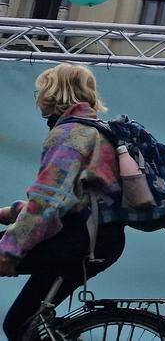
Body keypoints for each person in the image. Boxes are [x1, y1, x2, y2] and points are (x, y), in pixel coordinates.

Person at [0, 64, 125, 341]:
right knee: (22, 325)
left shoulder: (70, 135)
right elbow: (73, 200)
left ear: (52, 94)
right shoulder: (98, 130)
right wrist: (10, 213)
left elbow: (47, 203)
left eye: (40, 91)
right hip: (101, 239)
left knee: (20, 326)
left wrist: (7, 253)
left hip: (78, 241)